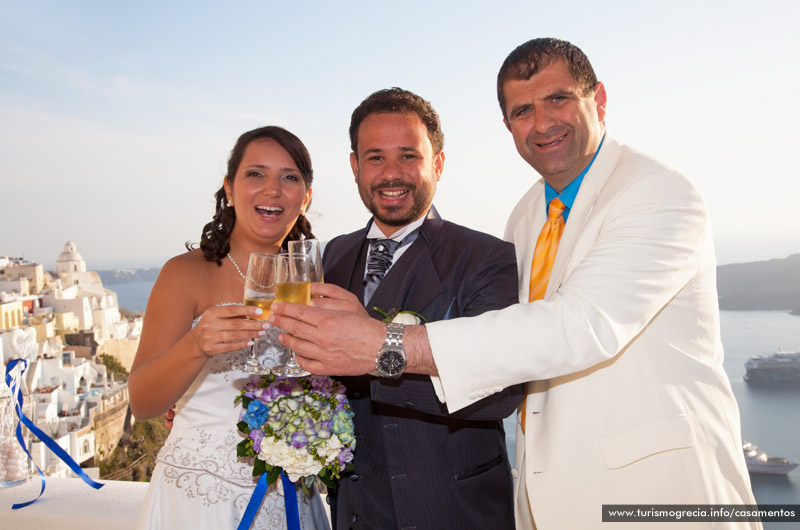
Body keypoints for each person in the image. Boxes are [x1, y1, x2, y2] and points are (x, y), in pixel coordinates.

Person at [270, 40, 760, 529]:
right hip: (547, 500)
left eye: (558, 99)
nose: (542, 122)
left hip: (657, 498)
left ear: (600, 100)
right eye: (523, 110)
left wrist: (383, 344)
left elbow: (580, 324)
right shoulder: (527, 214)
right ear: (508, 127)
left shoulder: (656, 191)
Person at [311, 88, 524, 529]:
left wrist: (371, 351)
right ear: (354, 167)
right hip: (355, 510)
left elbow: (500, 394)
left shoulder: (486, 257)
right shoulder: (333, 255)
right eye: (375, 158)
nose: (392, 174)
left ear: (438, 164)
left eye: (408, 156)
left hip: (451, 509)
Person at [129, 126, 329, 529]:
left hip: (292, 498)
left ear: (305, 196)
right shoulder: (184, 275)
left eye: (289, 177)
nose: (272, 189)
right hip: (198, 504)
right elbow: (142, 402)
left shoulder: (317, 283)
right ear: (229, 188)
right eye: (256, 174)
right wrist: (196, 346)